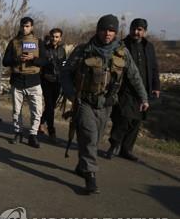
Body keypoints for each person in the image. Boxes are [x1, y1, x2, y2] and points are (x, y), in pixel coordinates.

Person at [61, 14, 149, 194]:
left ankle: (82, 166)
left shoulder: (122, 52)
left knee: (96, 138)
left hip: (106, 104)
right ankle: (90, 176)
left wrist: (144, 97)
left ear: (115, 33)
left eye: (111, 30)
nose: (107, 33)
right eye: (104, 30)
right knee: (89, 136)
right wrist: (71, 95)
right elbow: (65, 73)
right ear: (98, 30)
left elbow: (134, 76)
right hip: (84, 101)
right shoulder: (83, 50)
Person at [105, 18, 160, 162]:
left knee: (137, 121)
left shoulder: (149, 47)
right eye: (134, 29)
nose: (136, 32)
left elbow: (154, 68)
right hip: (126, 89)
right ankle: (114, 145)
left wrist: (156, 86)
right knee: (124, 117)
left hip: (144, 90)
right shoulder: (122, 45)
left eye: (140, 30)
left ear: (145, 31)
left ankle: (126, 149)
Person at [2, 17, 47, 147]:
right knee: (16, 110)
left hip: (34, 81)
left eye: (27, 26)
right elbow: (5, 61)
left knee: (37, 111)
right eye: (22, 26)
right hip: (18, 81)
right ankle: (18, 132)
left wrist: (33, 58)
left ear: (32, 27)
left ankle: (33, 135)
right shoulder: (14, 42)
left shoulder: (39, 42)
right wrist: (17, 59)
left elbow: (45, 61)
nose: (24, 28)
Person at [39, 28, 67, 139]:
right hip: (46, 81)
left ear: (60, 38)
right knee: (50, 105)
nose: (54, 39)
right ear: (50, 37)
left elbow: (64, 66)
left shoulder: (62, 50)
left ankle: (40, 122)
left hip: (58, 81)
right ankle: (51, 130)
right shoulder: (44, 49)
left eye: (57, 37)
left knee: (52, 106)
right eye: (53, 36)